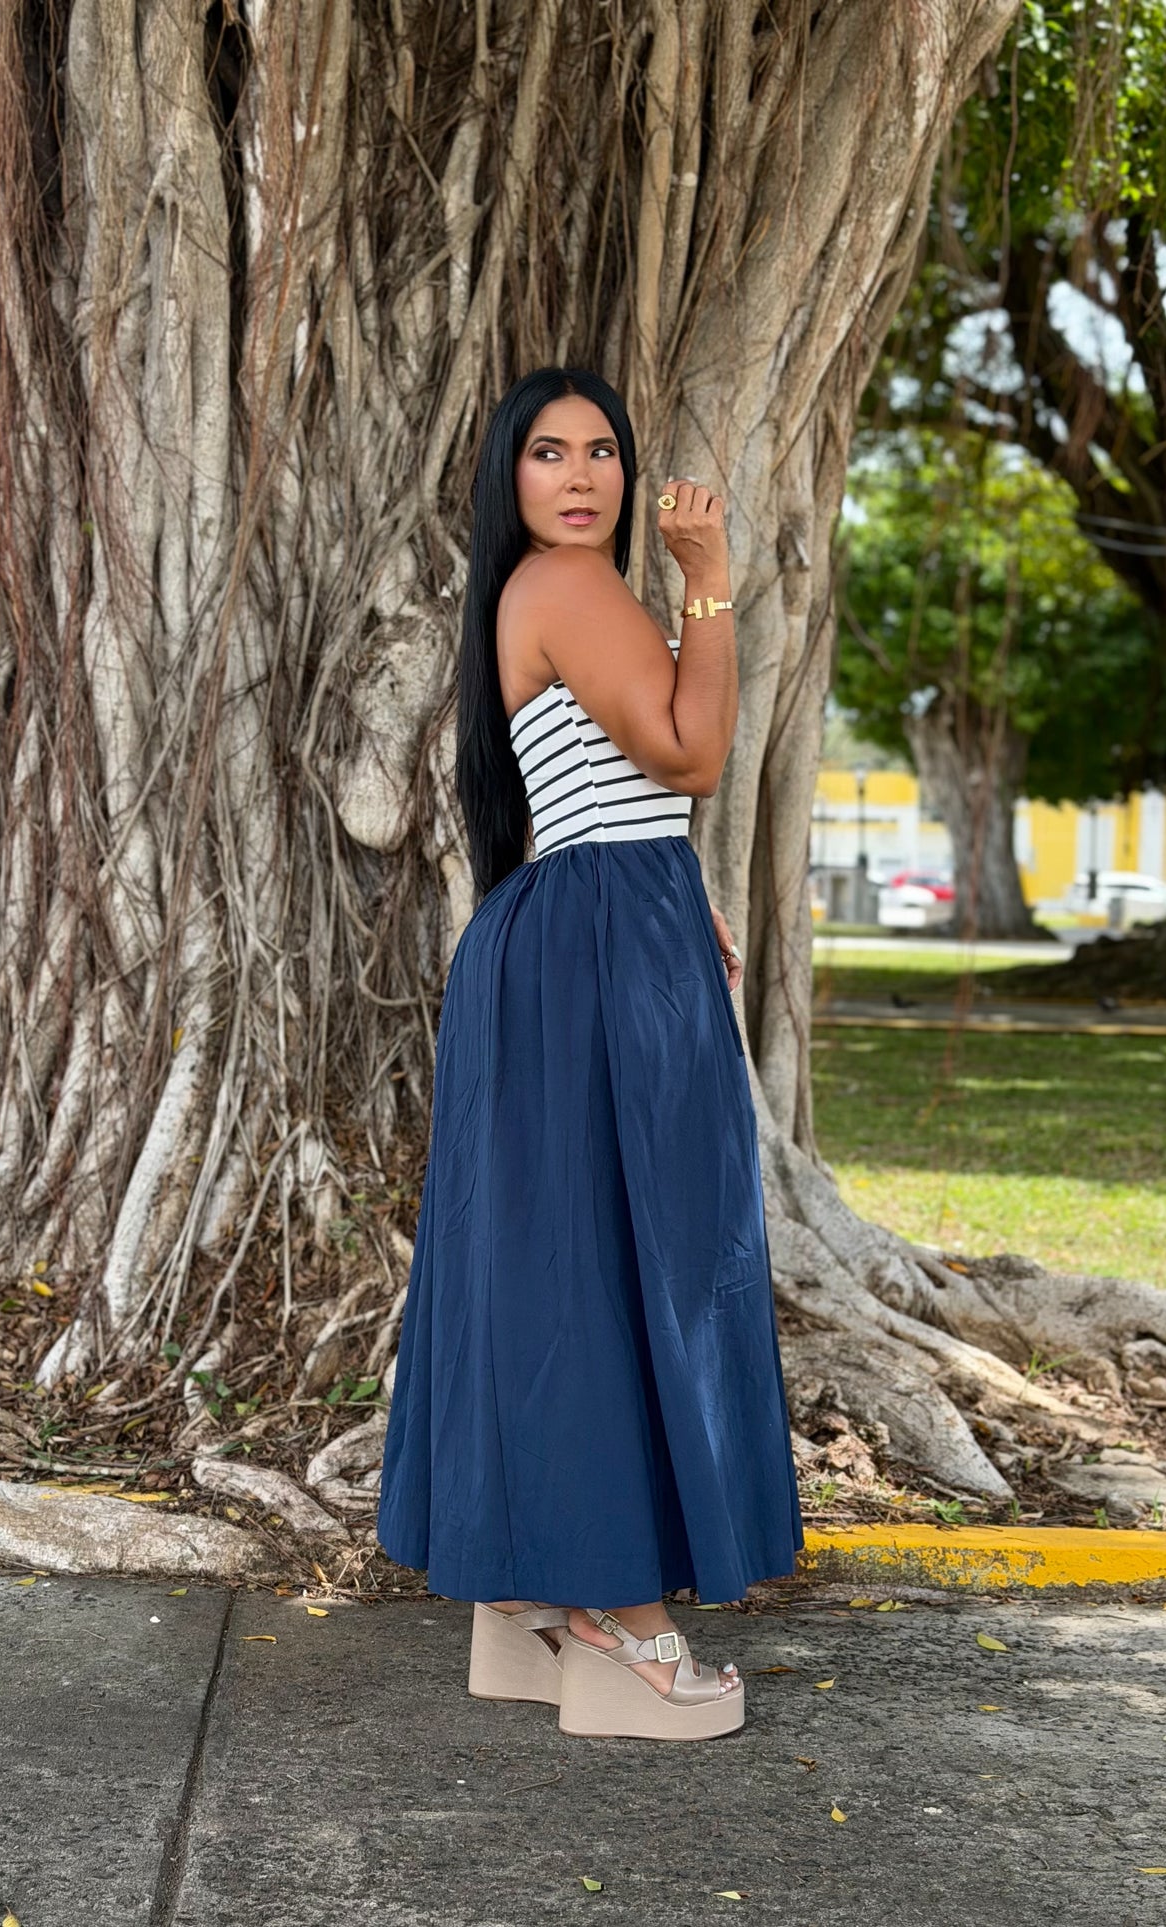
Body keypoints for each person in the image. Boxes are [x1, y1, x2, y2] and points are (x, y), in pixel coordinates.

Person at [376, 368, 802, 1743]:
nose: (581, 475)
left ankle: (533, 1602)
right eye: (547, 451)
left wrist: (680, 893)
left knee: (561, 1270)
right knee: (629, 1271)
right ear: (509, 478)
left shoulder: (539, 599)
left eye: (602, 450)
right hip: (596, 954)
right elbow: (689, 748)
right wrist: (713, 581)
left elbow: (610, 794)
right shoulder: (569, 583)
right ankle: (618, 1620)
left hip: (585, 929)